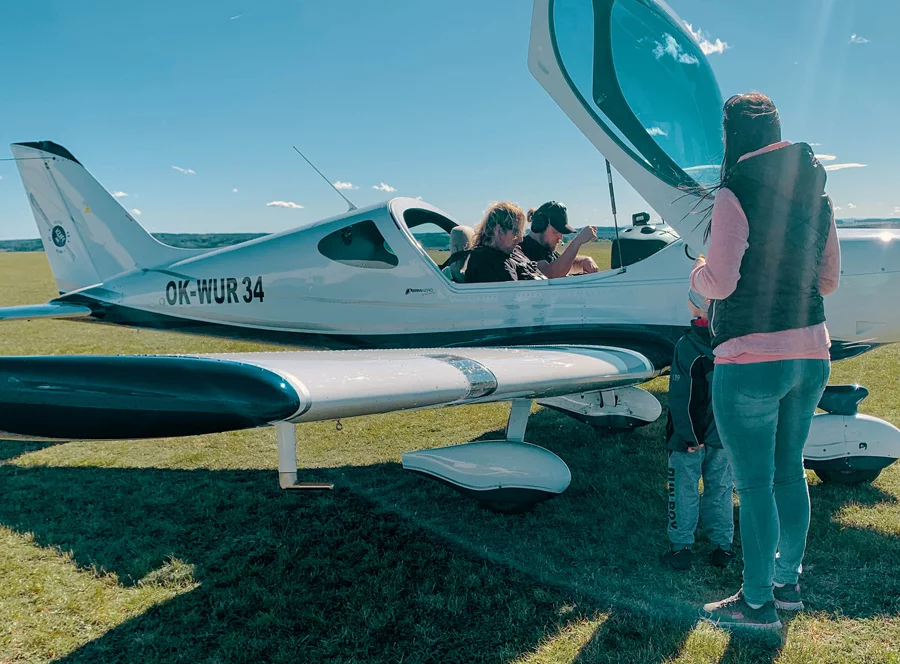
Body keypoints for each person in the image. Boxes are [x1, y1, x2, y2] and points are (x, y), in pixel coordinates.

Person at [691, 93, 841, 631]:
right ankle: (787, 585)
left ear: (733, 136)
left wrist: (696, 275)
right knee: (788, 473)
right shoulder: (817, 192)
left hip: (750, 357)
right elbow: (828, 281)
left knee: (753, 485)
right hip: (811, 354)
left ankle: (756, 605)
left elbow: (722, 282)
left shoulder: (735, 192)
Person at [660, 289, 735, 571]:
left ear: (697, 308)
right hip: (723, 434)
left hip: (687, 440)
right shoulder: (731, 342)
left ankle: (681, 548)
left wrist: (689, 436)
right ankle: (722, 547)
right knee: (721, 488)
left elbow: (683, 395)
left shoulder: (687, 345)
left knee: (683, 489)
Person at [461, 202, 547, 283]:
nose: (520, 239)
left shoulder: (513, 251)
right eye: (516, 232)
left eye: (521, 233)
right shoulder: (489, 262)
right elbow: (516, 296)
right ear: (499, 230)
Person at [519, 201, 599, 278]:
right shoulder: (524, 250)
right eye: (556, 232)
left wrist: (583, 261)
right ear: (540, 226)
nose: (560, 237)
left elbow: (566, 264)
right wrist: (578, 241)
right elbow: (550, 274)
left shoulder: (547, 250)